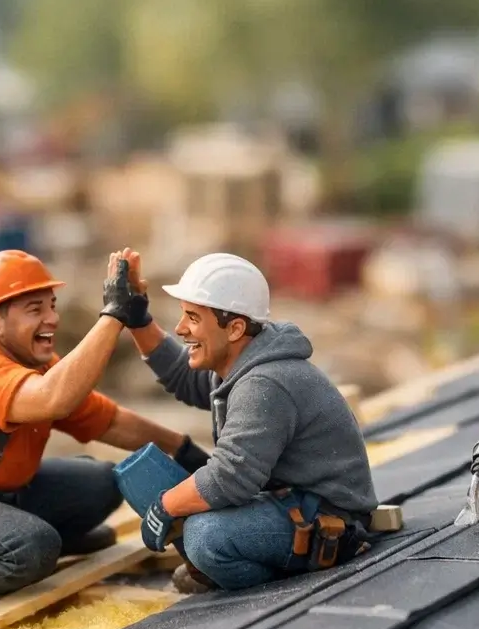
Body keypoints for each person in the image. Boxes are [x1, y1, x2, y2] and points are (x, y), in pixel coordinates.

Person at [0, 248, 207, 627]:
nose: (52, 318)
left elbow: (110, 422)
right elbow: (54, 398)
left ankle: (24, 538)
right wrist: (113, 316)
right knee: (34, 548)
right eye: (35, 310)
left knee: (104, 482)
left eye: (51, 306)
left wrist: (186, 453)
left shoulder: (36, 364)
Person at [116, 250, 378, 593]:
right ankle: (223, 565)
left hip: (327, 521)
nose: (181, 329)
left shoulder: (264, 383)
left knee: (205, 537)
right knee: (143, 477)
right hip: (286, 501)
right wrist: (137, 320)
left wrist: (165, 507)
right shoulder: (240, 363)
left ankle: (267, 584)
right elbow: (183, 375)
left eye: (193, 317)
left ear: (235, 327)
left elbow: (229, 478)